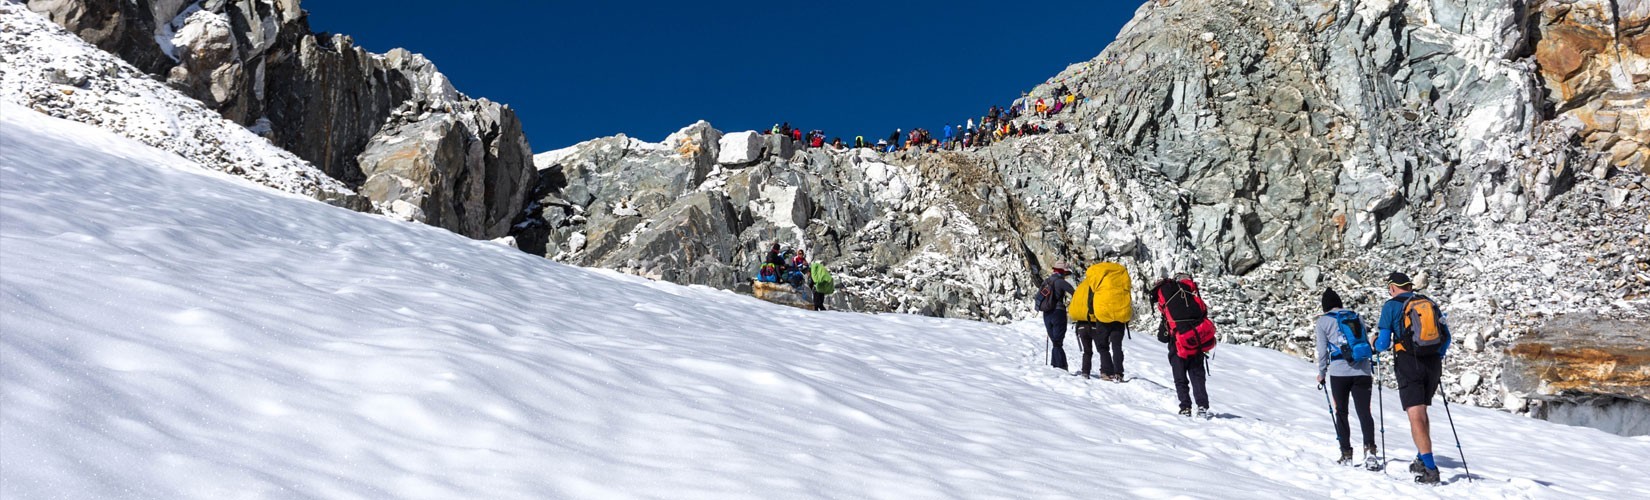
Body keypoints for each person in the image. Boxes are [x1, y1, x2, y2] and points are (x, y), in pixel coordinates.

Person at [1374, 272, 1451, 484]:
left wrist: (1374, 343)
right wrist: (1437, 355)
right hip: (1433, 363)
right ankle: (1421, 457)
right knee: (1423, 412)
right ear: (1409, 286)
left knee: (1415, 414)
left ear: (1392, 288)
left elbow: (1382, 343)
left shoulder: (1390, 306)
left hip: (1409, 362)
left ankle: (1430, 468)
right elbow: (1447, 337)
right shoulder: (1428, 302)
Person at [1315, 288, 1378, 467]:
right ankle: (1370, 451)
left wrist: (1322, 374)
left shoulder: (1323, 322)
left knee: (1341, 412)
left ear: (1325, 307)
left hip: (1339, 372)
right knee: (1365, 411)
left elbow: (1322, 351)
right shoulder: (1356, 317)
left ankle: (1346, 453)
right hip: (1363, 371)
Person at [1151, 272, 1214, 417]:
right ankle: (1202, 406)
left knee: (1180, 377)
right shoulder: (1192, 296)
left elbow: (1163, 329)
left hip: (1177, 342)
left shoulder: (1169, 299)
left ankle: (1185, 407)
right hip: (1196, 341)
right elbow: (1203, 313)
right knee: (1197, 375)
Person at [1069, 262, 1132, 381]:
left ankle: (1105, 373)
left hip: (1102, 318)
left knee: (1103, 347)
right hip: (1120, 317)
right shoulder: (1119, 279)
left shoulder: (1094, 283)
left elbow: (1089, 302)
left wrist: (1093, 313)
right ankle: (1119, 373)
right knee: (1117, 346)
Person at [1036, 262, 1076, 371]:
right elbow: (1075, 293)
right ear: (1063, 272)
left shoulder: (1046, 282)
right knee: (1058, 342)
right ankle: (1059, 366)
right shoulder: (1061, 282)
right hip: (1058, 312)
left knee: (1055, 342)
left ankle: (1057, 365)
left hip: (1047, 314)